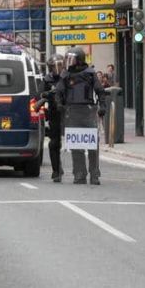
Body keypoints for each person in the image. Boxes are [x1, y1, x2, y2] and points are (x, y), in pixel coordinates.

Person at [56, 47, 107, 185]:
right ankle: (79, 174)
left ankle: (94, 174)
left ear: (79, 60)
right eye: (68, 59)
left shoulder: (90, 73)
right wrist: (59, 104)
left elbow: (100, 91)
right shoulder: (65, 74)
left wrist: (102, 106)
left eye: (72, 59)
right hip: (72, 112)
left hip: (88, 111)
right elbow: (59, 91)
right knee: (76, 146)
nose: (69, 62)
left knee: (92, 145)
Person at [42, 55, 65, 183]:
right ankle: (56, 170)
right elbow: (40, 94)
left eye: (60, 65)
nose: (58, 68)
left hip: (69, 112)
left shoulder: (67, 77)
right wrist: (48, 94)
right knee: (54, 143)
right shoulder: (47, 79)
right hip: (54, 113)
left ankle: (81, 171)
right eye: (55, 66)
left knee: (76, 143)